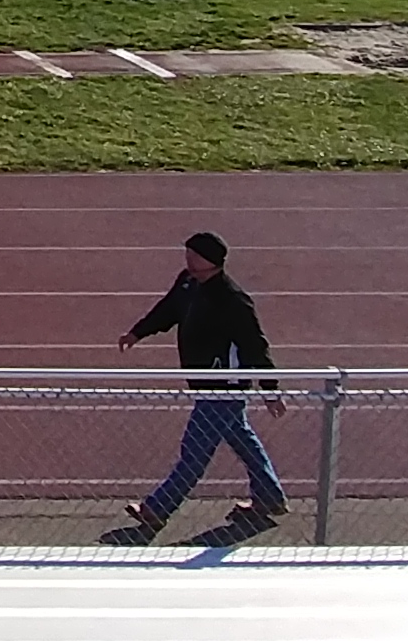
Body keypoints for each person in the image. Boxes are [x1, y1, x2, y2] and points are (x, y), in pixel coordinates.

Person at [115, 230, 287, 536]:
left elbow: (255, 346)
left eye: (194, 254)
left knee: (194, 451)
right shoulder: (188, 283)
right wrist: (137, 333)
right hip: (203, 383)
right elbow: (167, 310)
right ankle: (269, 497)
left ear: (212, 260)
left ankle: (157, 509)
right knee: (241, 437)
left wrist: (270, 389)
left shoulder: (233, 300)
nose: (188, 259)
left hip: (224, 387)